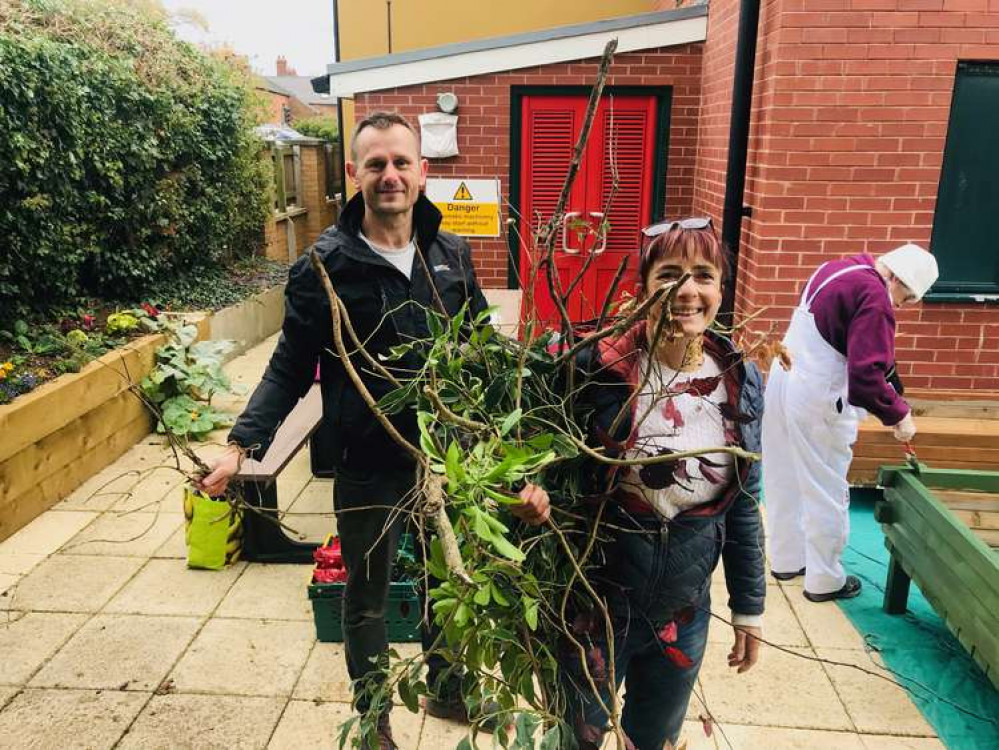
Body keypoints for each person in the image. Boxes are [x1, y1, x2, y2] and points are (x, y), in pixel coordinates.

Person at [197, 112, 549, 750]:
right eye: (376, 164)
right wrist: (240, 446)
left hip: (446, 458)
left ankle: (446, 687)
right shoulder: (323, 267)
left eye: (402, 162)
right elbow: (289, 367)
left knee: (451, 577)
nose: (390, 175)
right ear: (355, 175)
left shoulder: (449, 252)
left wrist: (509, 429)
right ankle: (373, 722)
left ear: (423, 171)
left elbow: (475, 351)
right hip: (366, 460)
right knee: (367, 598)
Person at [566, 218, 766, 750]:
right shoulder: (596, 367)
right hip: (595, 603)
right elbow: (549, 472)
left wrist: (749, 608)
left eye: (703, 275)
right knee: (576, 736)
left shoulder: (740, 381)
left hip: (684, 606)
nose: (687, 290)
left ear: (721, 290)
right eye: (669, 274)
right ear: (644, 287)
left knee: (654, 739)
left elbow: (744, 504)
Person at [762, 243, 939, 602]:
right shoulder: (875, 298)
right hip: (820, 397)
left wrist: (894, 389)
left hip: (783, 381)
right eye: (905, 300)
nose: (899, 307)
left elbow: (872, 354)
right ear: (899, 281)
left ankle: (786, 559)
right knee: (826, 489)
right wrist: (899, 415)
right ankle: (825, 581)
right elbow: (865, 377)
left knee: (784, 475)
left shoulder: (837, 269)